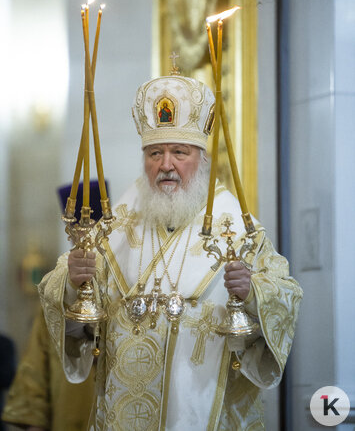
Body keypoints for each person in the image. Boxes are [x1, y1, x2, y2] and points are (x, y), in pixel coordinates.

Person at [38, 72, 303, 430]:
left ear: (203, 159)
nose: (166, 165)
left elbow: (287, 295)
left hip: (209, 410)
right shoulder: (115, 228)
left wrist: (253, 291)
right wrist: (71, 281)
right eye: (154, 153)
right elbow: (71, 316)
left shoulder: (238, 229)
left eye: (180, 152)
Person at [1, 181, 107, 431]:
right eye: (76, 228)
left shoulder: (124, 281)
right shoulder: (58, 290)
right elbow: (36, 364)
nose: (84, 236)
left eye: (92, 227)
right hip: (67, 411)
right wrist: (35, 422)